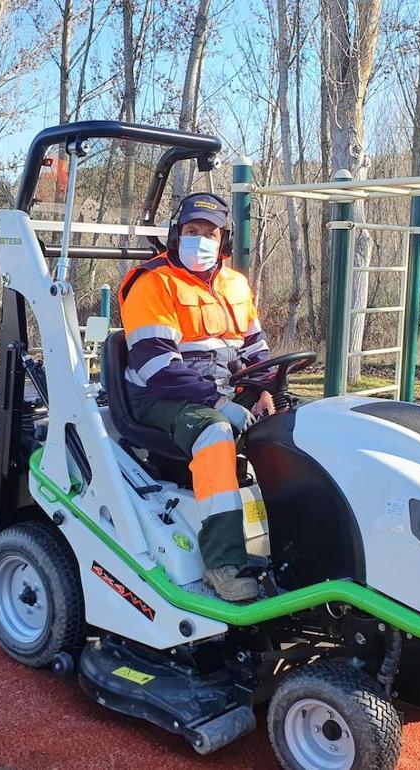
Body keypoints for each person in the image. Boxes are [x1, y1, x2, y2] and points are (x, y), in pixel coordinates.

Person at [118, 192, 274, 602]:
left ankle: (287, 541)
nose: (200, 240)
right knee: (215, 433)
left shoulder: (235, 284)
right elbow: (158, 367)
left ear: (223, 240)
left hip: (219, 391)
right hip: (159, 398)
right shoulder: (152, 283)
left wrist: (262, 392)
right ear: (176, 235)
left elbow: (257, 351)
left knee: (297, 423)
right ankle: (222, 564)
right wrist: (221, 404)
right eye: (191, 231)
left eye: (209, 232)